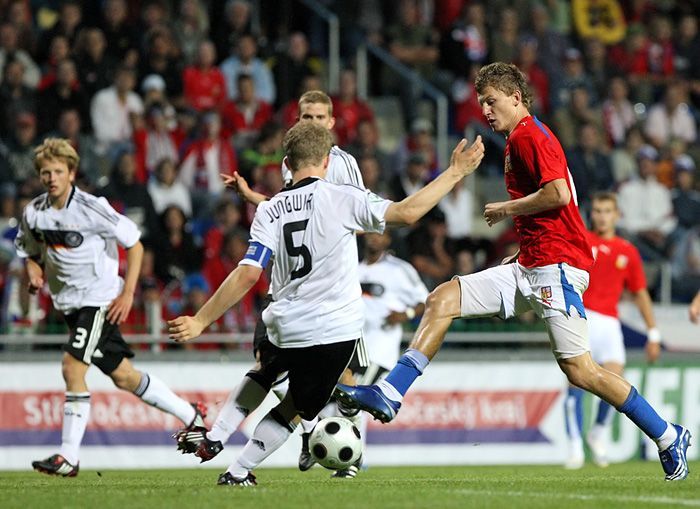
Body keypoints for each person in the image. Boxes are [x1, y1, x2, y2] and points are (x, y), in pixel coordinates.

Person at [335, 62, 692, 482]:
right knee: (442, 298)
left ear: (516, 98)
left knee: (582, 371)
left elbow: (558, 195)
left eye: (492, 101)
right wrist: (521, 250)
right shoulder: (518, 140)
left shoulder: (529, 136)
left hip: (557, 269)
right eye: (481, 102)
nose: (486, 110)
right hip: (531, 264)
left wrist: (507, 208)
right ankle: (391, 392)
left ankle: (668, 435)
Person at [167, 121, 485, 486]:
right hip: (332, 332)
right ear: (326, 161)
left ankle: (216, 436)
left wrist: (201, 320)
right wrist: (455, 171)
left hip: (283, 325)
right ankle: (238, 471)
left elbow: (248, 274)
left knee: (264, 371)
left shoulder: (270, 209)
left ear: (286, 162)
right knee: (294, 409)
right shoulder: (342, 196)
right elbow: (408, 212)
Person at [171, 90, 371, 479]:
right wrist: (256, 199)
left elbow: (349, 215)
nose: (311, 123)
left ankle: (314, 437)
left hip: (329, 293)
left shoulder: (343, 165)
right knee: (274, 371)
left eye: (318, 118)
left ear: (332, 123)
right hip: (288, 291)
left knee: (338, 378)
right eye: (305, 117)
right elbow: (295, 208)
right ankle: (309, 437)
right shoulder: (291, 163)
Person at [15, 138, 205, 477]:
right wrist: (33, 269)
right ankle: (190, 414)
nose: (51, 178)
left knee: (72, 368)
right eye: (45, 172)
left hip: (99, 299)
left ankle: (68, 457)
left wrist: (127, 293)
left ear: (71, 173)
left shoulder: (91, 207)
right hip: (70, 305)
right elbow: (29, 249)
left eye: (58, 171)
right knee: (124, 376)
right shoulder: (34, 212)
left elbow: (134, 243)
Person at [564, 192, 661, 469]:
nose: (602, 216)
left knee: (615, 380)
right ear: (591, 214)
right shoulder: (582, 240)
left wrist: (653, 333)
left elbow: (640, 293)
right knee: (575, 382)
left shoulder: (627, 251)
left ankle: (597, 432)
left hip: (610, 323)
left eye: (607, 211)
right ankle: (574, 448)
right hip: (580, 315)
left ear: (617, 215)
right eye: (597, 210)